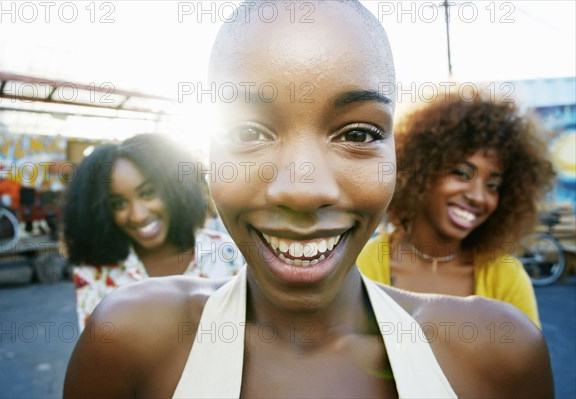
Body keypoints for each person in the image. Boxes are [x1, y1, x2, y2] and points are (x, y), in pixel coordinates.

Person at [64, 2, 553, 397]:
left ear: (398, 158)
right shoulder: (126, 340)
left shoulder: (499, 353)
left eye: (358, 133)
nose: (302, 188)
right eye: (248, 130)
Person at [357, 92, 556, 328]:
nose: (478, 197)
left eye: (493, 186)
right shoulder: (364, 265)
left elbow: (527, 363)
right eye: (462, 173)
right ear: (422, 170)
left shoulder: (505, 276)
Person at [62, 133, 244, 331]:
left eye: (148, 193)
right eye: (119, 203)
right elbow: (96, 351)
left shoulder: (226, 252)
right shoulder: (94, 270)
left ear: (174, 189)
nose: (138, 215)